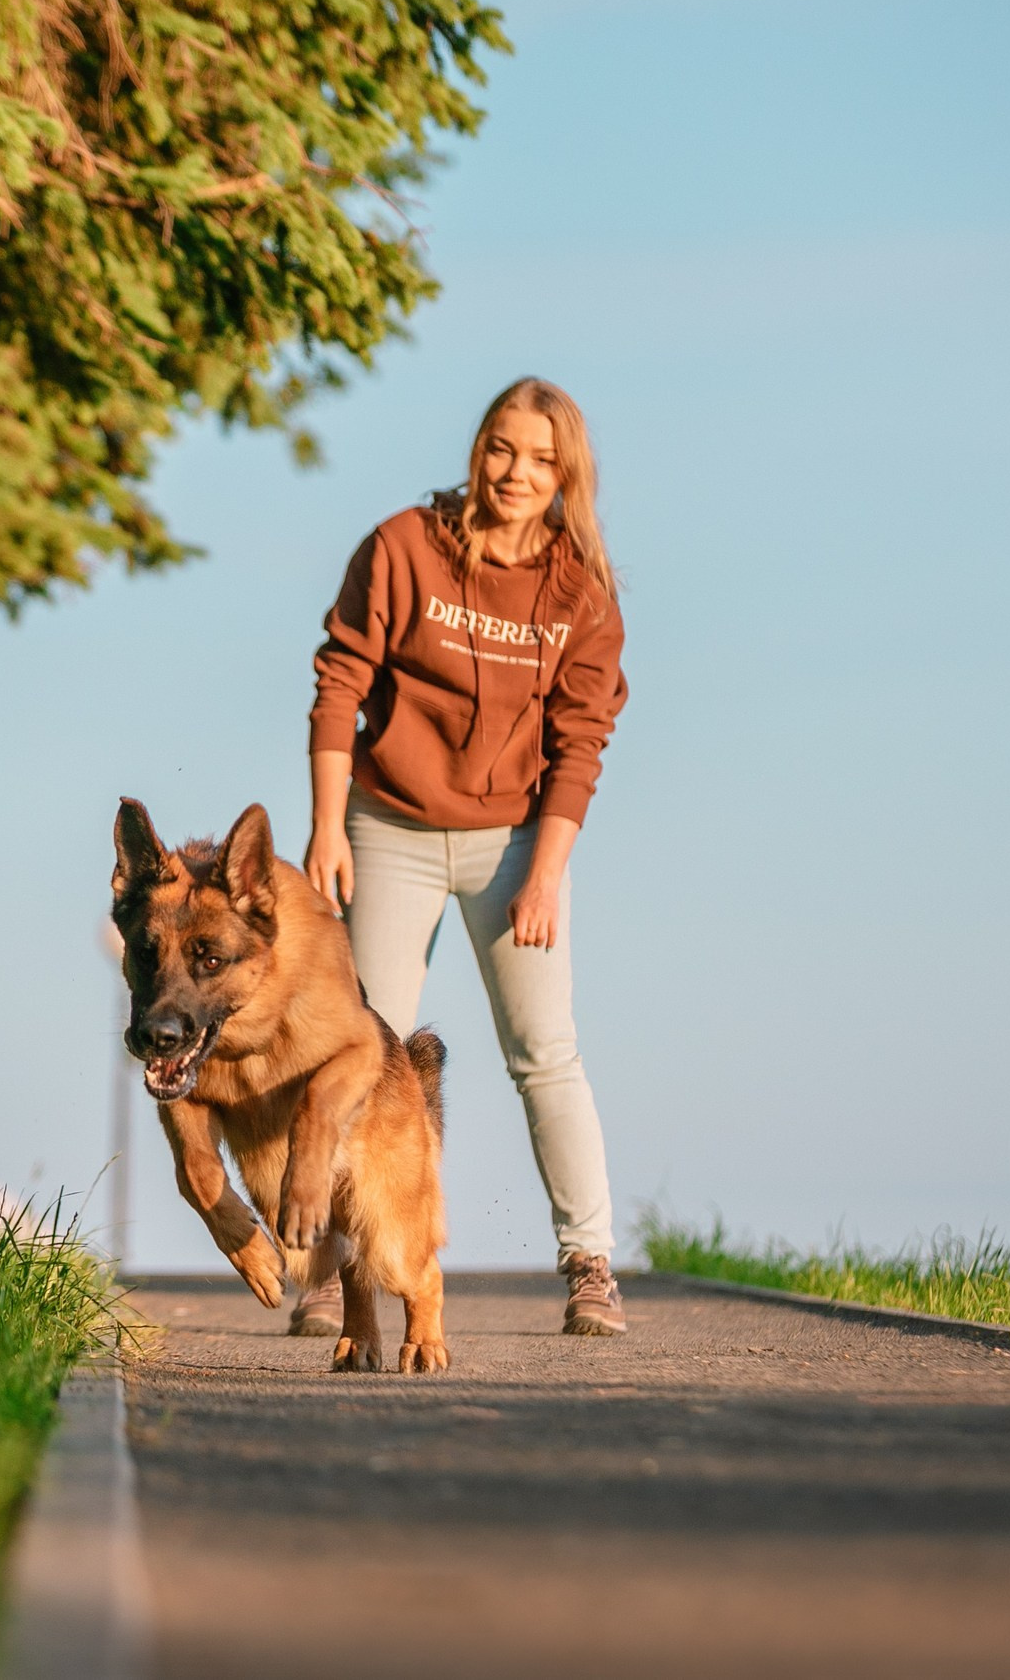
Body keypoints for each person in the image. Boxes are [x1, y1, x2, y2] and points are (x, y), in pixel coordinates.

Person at [300, 377, 630, 1336]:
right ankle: (335, 1269)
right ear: (478, 450)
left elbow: (581, 742)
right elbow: (339, 682)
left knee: (545, 1053)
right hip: (389, 824)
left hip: (514, 839)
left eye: (538, 459)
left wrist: (547, 871)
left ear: (566, 473)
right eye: (500, 449)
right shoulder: (406, 546)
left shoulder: (580, 592)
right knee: (360, 1052)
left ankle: (590, 1265)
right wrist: (327, 826)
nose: (515, 473)